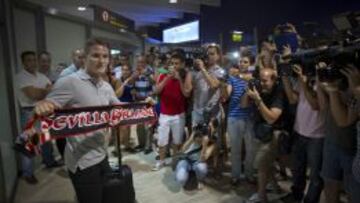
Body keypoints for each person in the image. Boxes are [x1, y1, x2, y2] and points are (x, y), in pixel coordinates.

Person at [34, 39, 153, 203]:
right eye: (96, 55)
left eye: (105, 56)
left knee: (105, 196)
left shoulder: (105, 86)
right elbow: (49, 105)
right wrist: (43, 105)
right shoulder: (69, 82)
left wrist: (143, 106)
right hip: (82, 162)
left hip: (102, 154)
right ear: (85, 58)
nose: (101, 60)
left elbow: (119, 109)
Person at [15, 51, 60, 184]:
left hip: (45, 110)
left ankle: (49, 161)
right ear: (23, 62)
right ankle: (28, 173)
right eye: (29, 60)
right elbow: (33, 95)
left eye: (34, 60)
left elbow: (53, 91)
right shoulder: (21, 77)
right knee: (30, 142)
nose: (33, 62)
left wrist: (43, 91)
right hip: (30, 112)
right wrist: (45, 91)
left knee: (46, 138)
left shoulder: (41, 76)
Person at [242, 68, 285, 203]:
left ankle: (262, 197)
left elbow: (272, 118)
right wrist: (247, 90)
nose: (262, 83)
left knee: (261, 164)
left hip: (275, 133)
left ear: (274, 80)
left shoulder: (279, 92)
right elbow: (243, 105)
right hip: (260, 132)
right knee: (267, 164)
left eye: (265, 81)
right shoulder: (258, 89)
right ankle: (276, 187)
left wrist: (258, 99)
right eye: (260, 80)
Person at [153, 53, 192, 171]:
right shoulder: (162, 75)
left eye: (177, 64)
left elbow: (186, 93)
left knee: (177, 141)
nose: (174, 66)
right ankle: (161, 161)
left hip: (179, 115)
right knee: (162, 140)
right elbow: (156, 91)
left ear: (182, 65)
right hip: (164, 114)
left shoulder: (185, 76)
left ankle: (175, 161)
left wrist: (179, 79)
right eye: (172, 63)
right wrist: (167, 78)